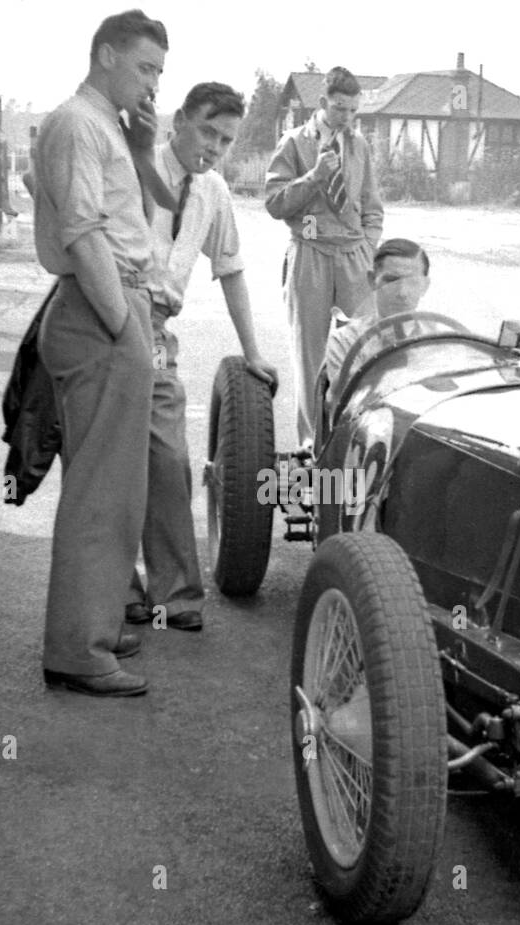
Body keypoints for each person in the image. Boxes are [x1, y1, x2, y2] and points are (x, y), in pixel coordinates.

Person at [30, 9, 168, 698]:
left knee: (118, 489)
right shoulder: (78, 123)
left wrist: (143, 146)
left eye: (158, 73)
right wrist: (125, 326)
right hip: (101, 311)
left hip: (114, 305)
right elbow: (84, 233)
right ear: (106, 55)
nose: (152, 83)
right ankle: (78, 650)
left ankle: (99, 621)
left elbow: (128, 210)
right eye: (144, 68)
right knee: (98, 492)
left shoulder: (105, 126)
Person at [124, 82, 279, 633]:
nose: (214, 147)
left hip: (156, 329)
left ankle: (176, 596)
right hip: (111, 316)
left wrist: (253, 353)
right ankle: (119, 591)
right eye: (208, 132)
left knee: (168, 458)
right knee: (109, 461)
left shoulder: (212, 191)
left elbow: (231, 268)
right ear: (181, 120)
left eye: (227, 140)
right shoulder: (131, 164)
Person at [265, 66, 383, 446]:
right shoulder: (294, 142)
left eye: (353, 111)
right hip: (311, 250)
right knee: (310, 360)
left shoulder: (360, 146)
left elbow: (372, 207)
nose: (346, 118)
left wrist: (368, 247)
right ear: (322, 103)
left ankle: (356, 445)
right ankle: (310, 451)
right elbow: (275, 203)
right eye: (339, 109)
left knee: (363, 354)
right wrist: (314, 176)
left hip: (353, 257)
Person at [319, 237, 434, 424]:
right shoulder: (346, 340)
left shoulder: (438, 339)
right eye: (391, 281)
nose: (402, 292)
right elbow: (341, 406)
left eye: (412, 282)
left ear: (424, 286)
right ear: (372, 280)